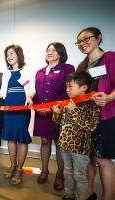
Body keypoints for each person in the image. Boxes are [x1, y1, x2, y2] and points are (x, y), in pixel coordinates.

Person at [0, 45, 35, 184]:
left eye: (11, 53)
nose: (9, 57)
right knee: (10, 138)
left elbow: (31, 89)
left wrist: (30, 97)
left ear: (19, 54)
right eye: (7, 55)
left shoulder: (27, 70)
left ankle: (20, 169)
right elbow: (2, 93)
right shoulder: (7, 73)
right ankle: (13, 165)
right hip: (8, 109)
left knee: (21, 138)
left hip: (21, 108)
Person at [76, 27, 115, 200]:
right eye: (79, 41)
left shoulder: (110, 58)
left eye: (86, 39)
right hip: (86, 118)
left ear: (99, 38)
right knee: (89, 158)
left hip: (104, 117)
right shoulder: (82, 66)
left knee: (103, 160)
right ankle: (89, 193)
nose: (82, 44)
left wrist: (109, 97)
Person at [33, 42, 75, 189]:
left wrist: (52, 108)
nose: (50, 52)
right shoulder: (39, 71)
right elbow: (37, 91)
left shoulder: (68, 69)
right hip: (41, 112)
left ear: (61, 53)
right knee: (44, 141)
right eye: (48, 50)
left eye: (54, 50)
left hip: (58, 111)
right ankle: (44, 171)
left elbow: (68, 91)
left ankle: (59, 175)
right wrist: (35, 104)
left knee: (59, 143)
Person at [52, 72, 99, 200]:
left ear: (83, 87)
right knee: (68, 172)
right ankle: (69, 194)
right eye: (66, 87)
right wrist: (56, 113)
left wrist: (74, 110)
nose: (67, 90)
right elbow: (60, 121)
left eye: (70, 87)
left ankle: (81, 197)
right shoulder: (69, 102)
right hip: (64, 145)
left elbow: (90, 126)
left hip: (80, 149)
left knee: (80, 175)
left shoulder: (91, 104)